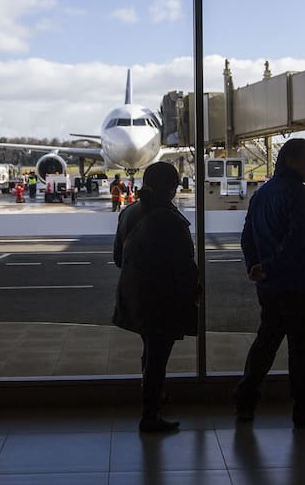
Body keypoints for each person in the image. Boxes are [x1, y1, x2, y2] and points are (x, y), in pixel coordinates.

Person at [234, 138, 305, 429]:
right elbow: (299, 240)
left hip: (269, 286)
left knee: (265, 343)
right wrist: (270, 267)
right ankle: (303, 412)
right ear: (290, 161)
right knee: (301, 351)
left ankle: (245, 401)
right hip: (300, 285)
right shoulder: (301, 195)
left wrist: (255, 266)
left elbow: (247, 235)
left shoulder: (262, 193)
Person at [112, 162, 200, 433]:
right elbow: (184, 265)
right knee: (157, 358)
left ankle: (154, 399)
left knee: (150, 352)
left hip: (134, 295)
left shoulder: (129, 213)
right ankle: (150, 414)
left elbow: (118, 258)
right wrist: (194, 291)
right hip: (162, 299)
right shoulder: (170, 219)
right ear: (172, 187)